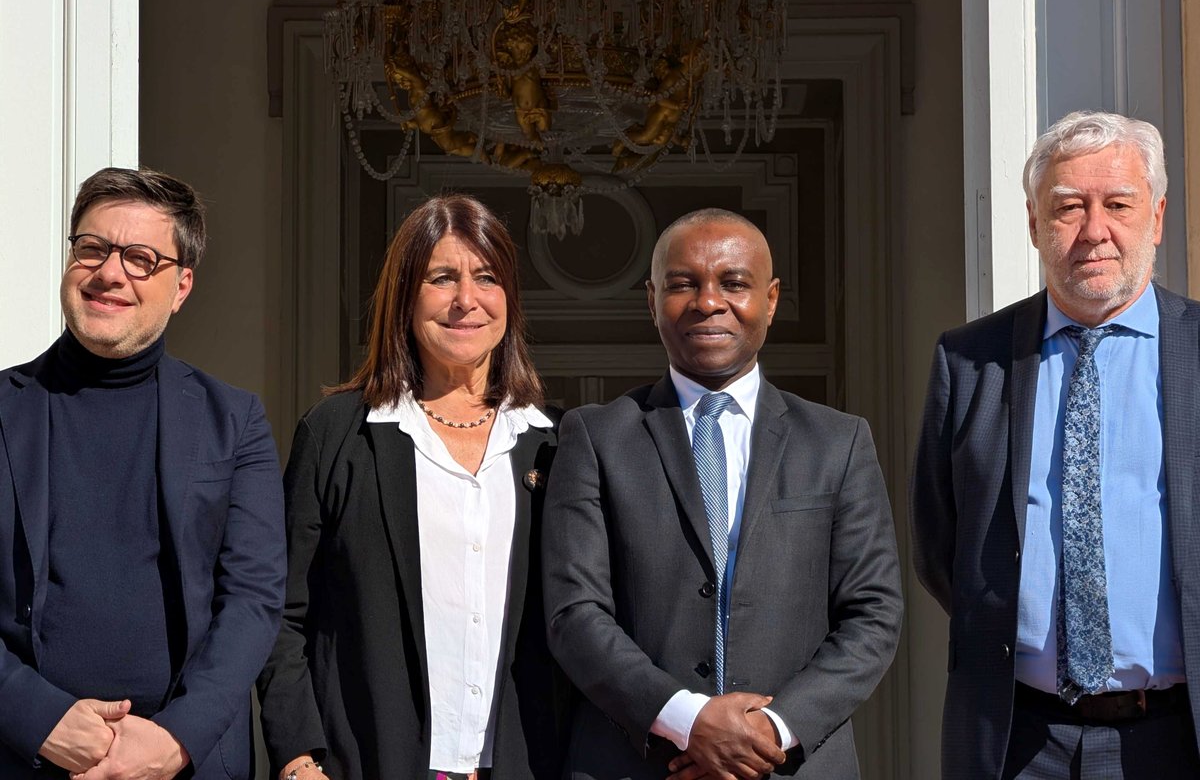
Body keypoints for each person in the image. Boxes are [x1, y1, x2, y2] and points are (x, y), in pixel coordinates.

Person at [542, 208, 903, 779]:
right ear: (652, 299)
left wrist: (770, 730)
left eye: (734, 283)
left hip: (789, 764)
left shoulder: (839, 442)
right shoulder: (594, 437)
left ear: (772, 297)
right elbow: (574, 612)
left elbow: (873, 614)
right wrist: (687, 719)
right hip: (637, 763)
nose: (709, 302)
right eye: (683, 284)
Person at [911, 110, 1200, 778]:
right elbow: (940, 546)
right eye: (1068, 207)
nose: (1094, 231)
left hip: (1178, 739)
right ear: (1035, 224)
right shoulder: (970, 359)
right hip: (1018, 739)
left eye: (1118, 205)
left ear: (1155, 218)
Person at [256, 195, 569, 780]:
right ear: (405, 297)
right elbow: (281, 613)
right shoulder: (336, 435)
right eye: (442, 278)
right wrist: (299, 760)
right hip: (369, 761)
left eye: (486, 278)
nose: (466, 301)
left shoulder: (557, 443)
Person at [0, 167, 287, 779]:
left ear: (181, 285)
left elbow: (253, 600)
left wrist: (172, 742)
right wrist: (38, 718)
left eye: (140, 258)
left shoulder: (233, 421)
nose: (110, 273)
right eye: (93, 249)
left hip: (186, 763)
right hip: (20, 754)